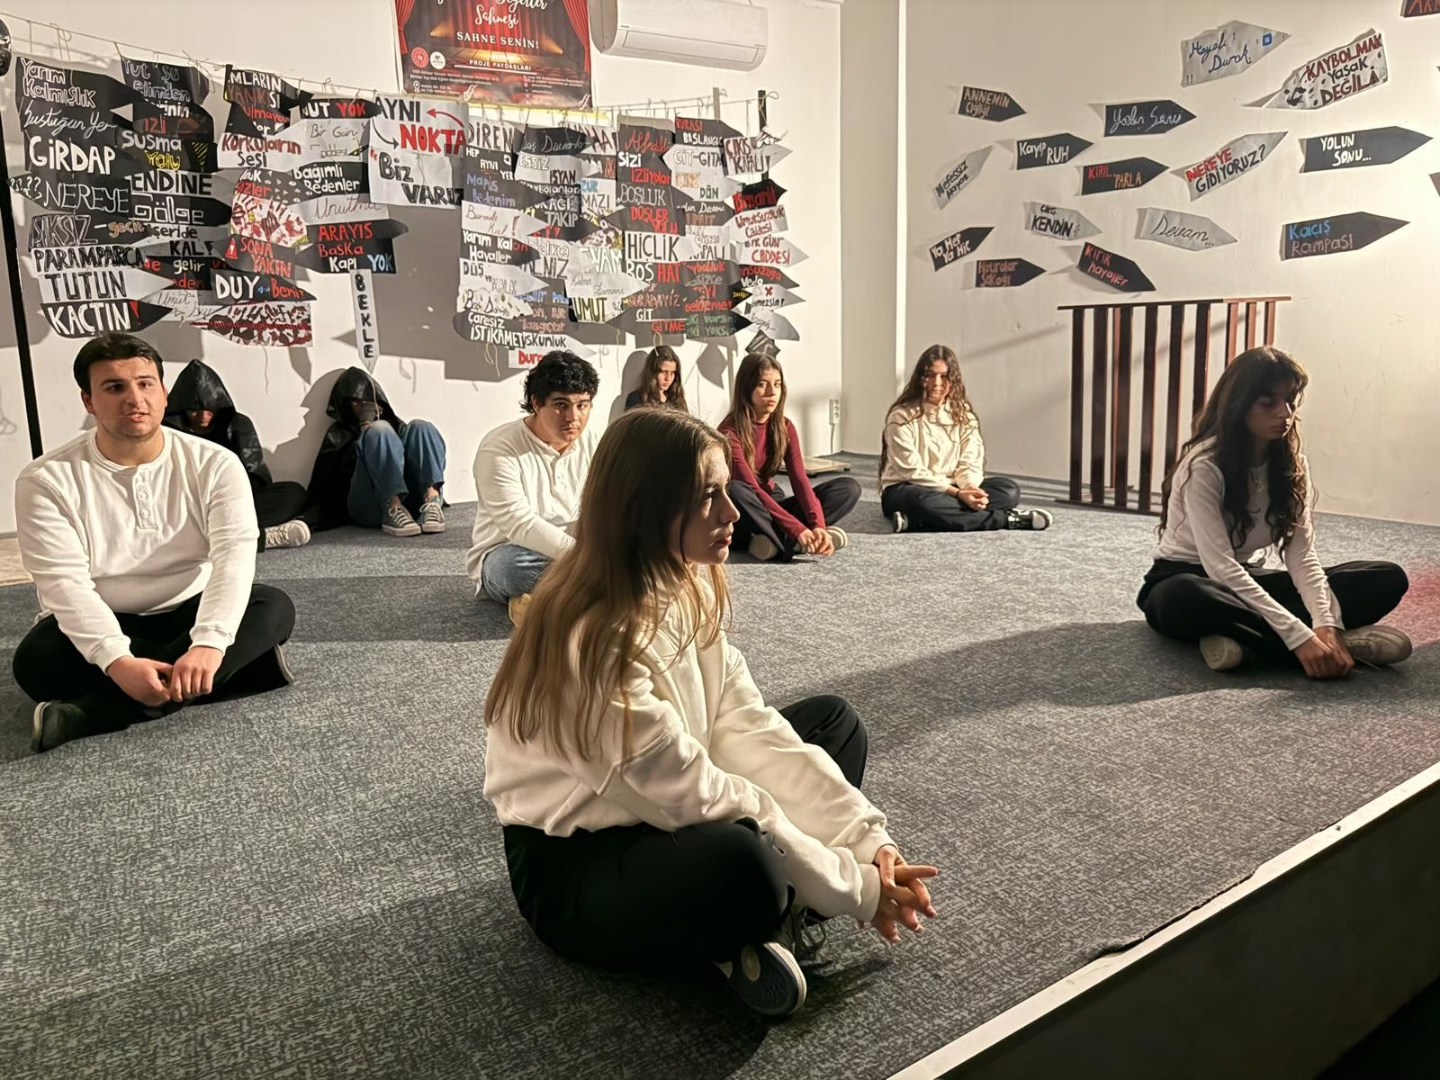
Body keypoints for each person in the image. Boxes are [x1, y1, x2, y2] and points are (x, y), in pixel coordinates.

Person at [484, 408, 938, 1017]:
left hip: (664, 797)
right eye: (707, 496)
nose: (732, 512)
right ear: (644, 507)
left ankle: (754, 918)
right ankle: (754, 918)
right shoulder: (591, 638)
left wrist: (865, 839)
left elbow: (745, 724)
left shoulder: (686, 578)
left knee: (834, 724)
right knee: (746, 861)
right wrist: (852, 885)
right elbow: (693, 790)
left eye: (726, 490)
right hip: (575, 863)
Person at [13, 334, 297, 753]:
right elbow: (64, 585)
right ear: (89, 401)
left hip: (190, 610)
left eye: (145, 384)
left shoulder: (216, 463)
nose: (135, 399)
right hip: (109, 615)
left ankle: (91, 714)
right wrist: (117, 660)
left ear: (164, 393)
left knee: (272, 606)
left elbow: (234, 559)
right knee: (36, 660)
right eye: (115, 387)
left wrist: (208, 643)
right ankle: (237, 672)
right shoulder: (45, 480)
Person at [1138, 346, 1411, 675]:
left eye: (1291, 401)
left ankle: (1251, 642)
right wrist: (1299, 636)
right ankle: (1316, 648)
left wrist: (1327, 623)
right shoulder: (1205, 467)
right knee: (1184, 596)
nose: (1285, 413)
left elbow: (1302, 559)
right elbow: (1220, 567)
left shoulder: (1292, 465)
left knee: (1385, 577)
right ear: (1239, 405)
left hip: (1243, 581)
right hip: (1188, 580)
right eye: (1268, 402)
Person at [467, 350, 599, 622]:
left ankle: (546, 604)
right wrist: (587, 559)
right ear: (536, 403)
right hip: (515, 551)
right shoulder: (499, 449)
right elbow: (520, 524)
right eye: (561, 405)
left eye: (582, 405)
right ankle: (600, 594)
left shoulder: (595, 443)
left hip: (581, 551)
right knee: (511, 568)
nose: (573, 417)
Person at [880, 344, 1052, 533]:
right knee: (923, 502)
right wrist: (958, 494)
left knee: (1008, 490)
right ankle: (1005, 520)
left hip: (955, 487)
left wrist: (969, 488)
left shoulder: (964, 415)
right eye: (930, 375)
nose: (936, 383)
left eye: (944, 376)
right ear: (920, 378)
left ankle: (919, 522)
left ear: (953, 380)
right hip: (909, 488)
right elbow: (911, 471)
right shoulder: (901, 416)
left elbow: (970, 461)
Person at [719, 353, 860, 562]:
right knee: (737, 490)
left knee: (848, 489)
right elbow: (752, 489)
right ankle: (791, 542)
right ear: (746, 388)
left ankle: (778, 541)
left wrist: (818, 525)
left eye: (777, 385)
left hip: (770, 505)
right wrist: (797, 529)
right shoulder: (729, 432)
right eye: (762, 384)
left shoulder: (785, 427)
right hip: (742, 513)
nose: (771, 392)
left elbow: (800, 480)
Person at [164, 359, 315, 551]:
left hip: (231, 500)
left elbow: (255, 475)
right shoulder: (167, 431)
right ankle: (260, 538)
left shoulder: (237, 424)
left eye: (209, 410)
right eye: (195, 410)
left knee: (293, 493)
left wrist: (229, 497)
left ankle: (210, 537)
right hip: (188, 504)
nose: (203, 417)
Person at [306, 367, 448, 538]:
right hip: (369, 505)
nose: (361, 406)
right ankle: (392, 506)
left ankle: (432, 501)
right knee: (379, 430)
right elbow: (330, 482)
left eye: (367, 401)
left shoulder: (397, 427)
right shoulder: (338, 433)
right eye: (355, 402)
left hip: (412, 506)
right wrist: (366, 435)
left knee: (421, 426)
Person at [624, 345, 689, 411]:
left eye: (672, 373)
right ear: (653, 372)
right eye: (664, 372)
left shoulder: (678, 400)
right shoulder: (636, 399)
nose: (668, 378)